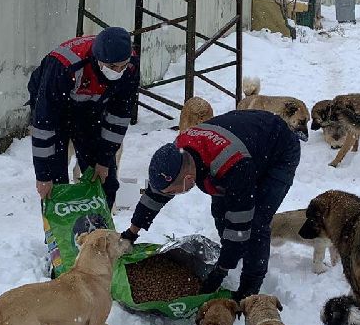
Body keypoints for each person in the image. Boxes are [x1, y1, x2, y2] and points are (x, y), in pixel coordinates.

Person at [122, 109, 301, 300]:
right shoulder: (176, 154)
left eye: (175, 191)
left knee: (256, 222)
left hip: (279, 149)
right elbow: (154, 195)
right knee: (220, 210)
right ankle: (234, 253)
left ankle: (250, 287)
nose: (173, 195)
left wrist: (220, 271)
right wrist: (131, 233)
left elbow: (240, 222)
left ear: (188, 179)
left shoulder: (231, 165)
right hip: (247, 140)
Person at [27, 27, 138, 206]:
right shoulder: (66, 66)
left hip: (91, 108)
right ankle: (60, 230)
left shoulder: (130, 65)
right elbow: (44, 126)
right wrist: (43, 175)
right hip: (55, 104)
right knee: (55, 185)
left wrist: (103, 160)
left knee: (103, 180)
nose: (118, 71)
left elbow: (119, 115)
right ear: (97, 58)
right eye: (112, 67)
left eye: (122, 66)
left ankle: (99, 230)